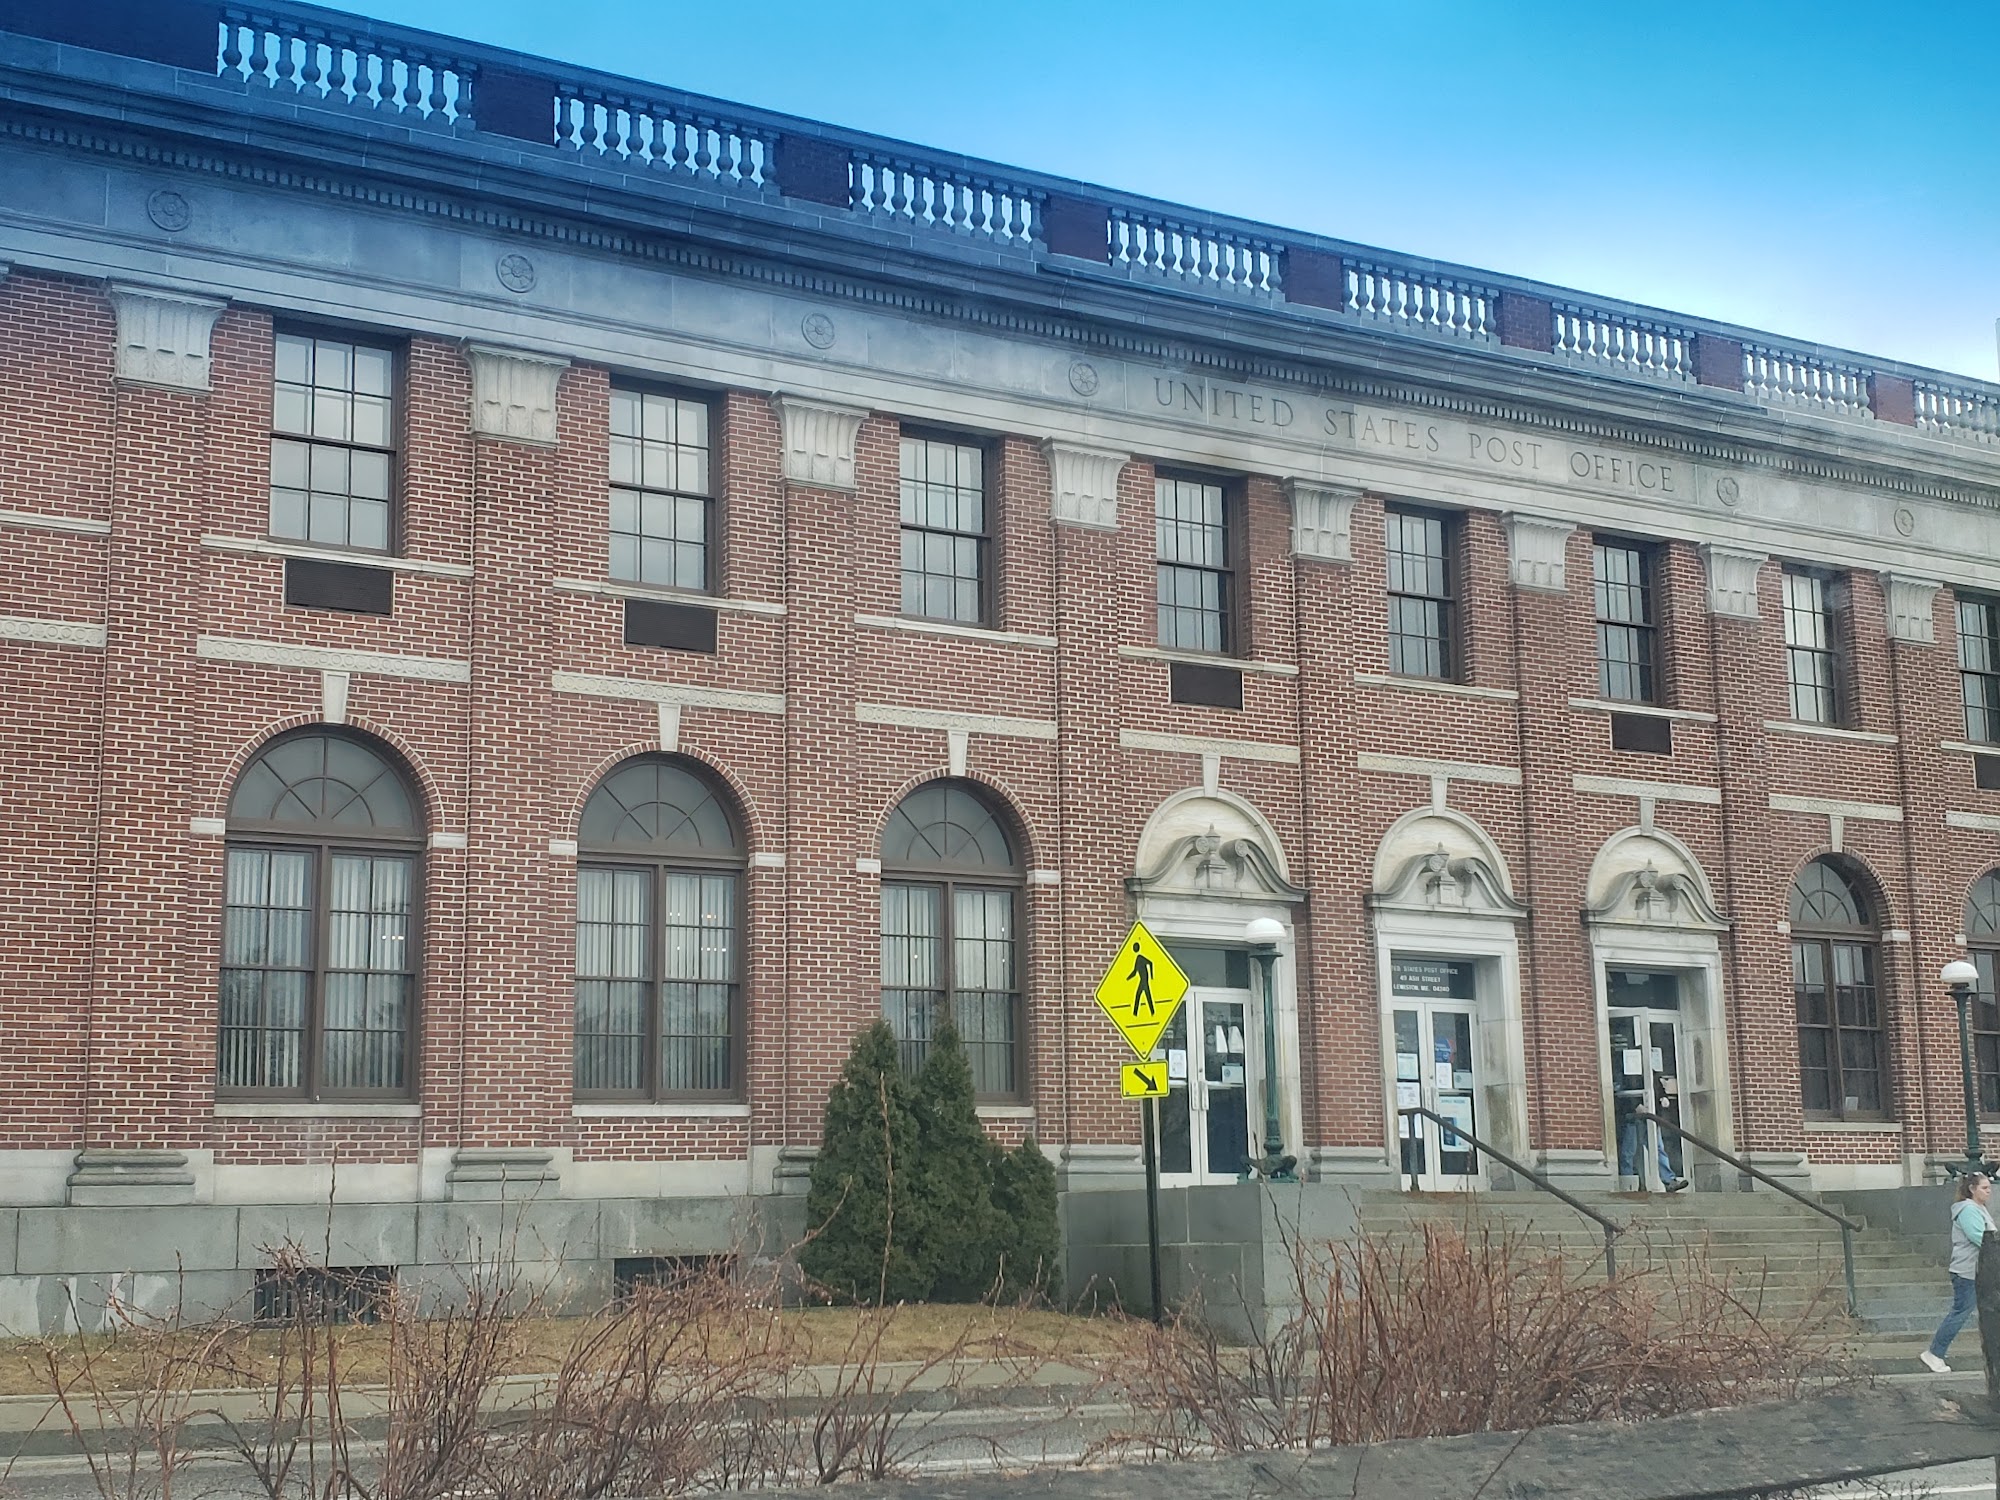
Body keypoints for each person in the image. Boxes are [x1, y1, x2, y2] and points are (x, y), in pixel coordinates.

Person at [1921, 1170, 1995, 1373]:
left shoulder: (1978, 1208)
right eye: (1984, 1188)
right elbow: (1981, 1238)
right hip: (1967, 1271)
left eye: (1989, 1187)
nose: (1989, 1191)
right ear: (1972, 1189)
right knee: (1961, 1312)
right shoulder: (1968, 1210)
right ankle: (1934, 1353)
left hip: (1979, 1271)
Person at [1617, 1068, 1690, 1192]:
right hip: (1632, 1117)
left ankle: (1669, 1181)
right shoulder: (1627, 1070)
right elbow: (1622, 1089)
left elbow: (1657, 1087)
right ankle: (1627, 1183)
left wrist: (1663, 1097)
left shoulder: (1651, 1072)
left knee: (1658, 1149)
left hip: (1650, 1117)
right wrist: (1635, 1105)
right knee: (1629, 1151)